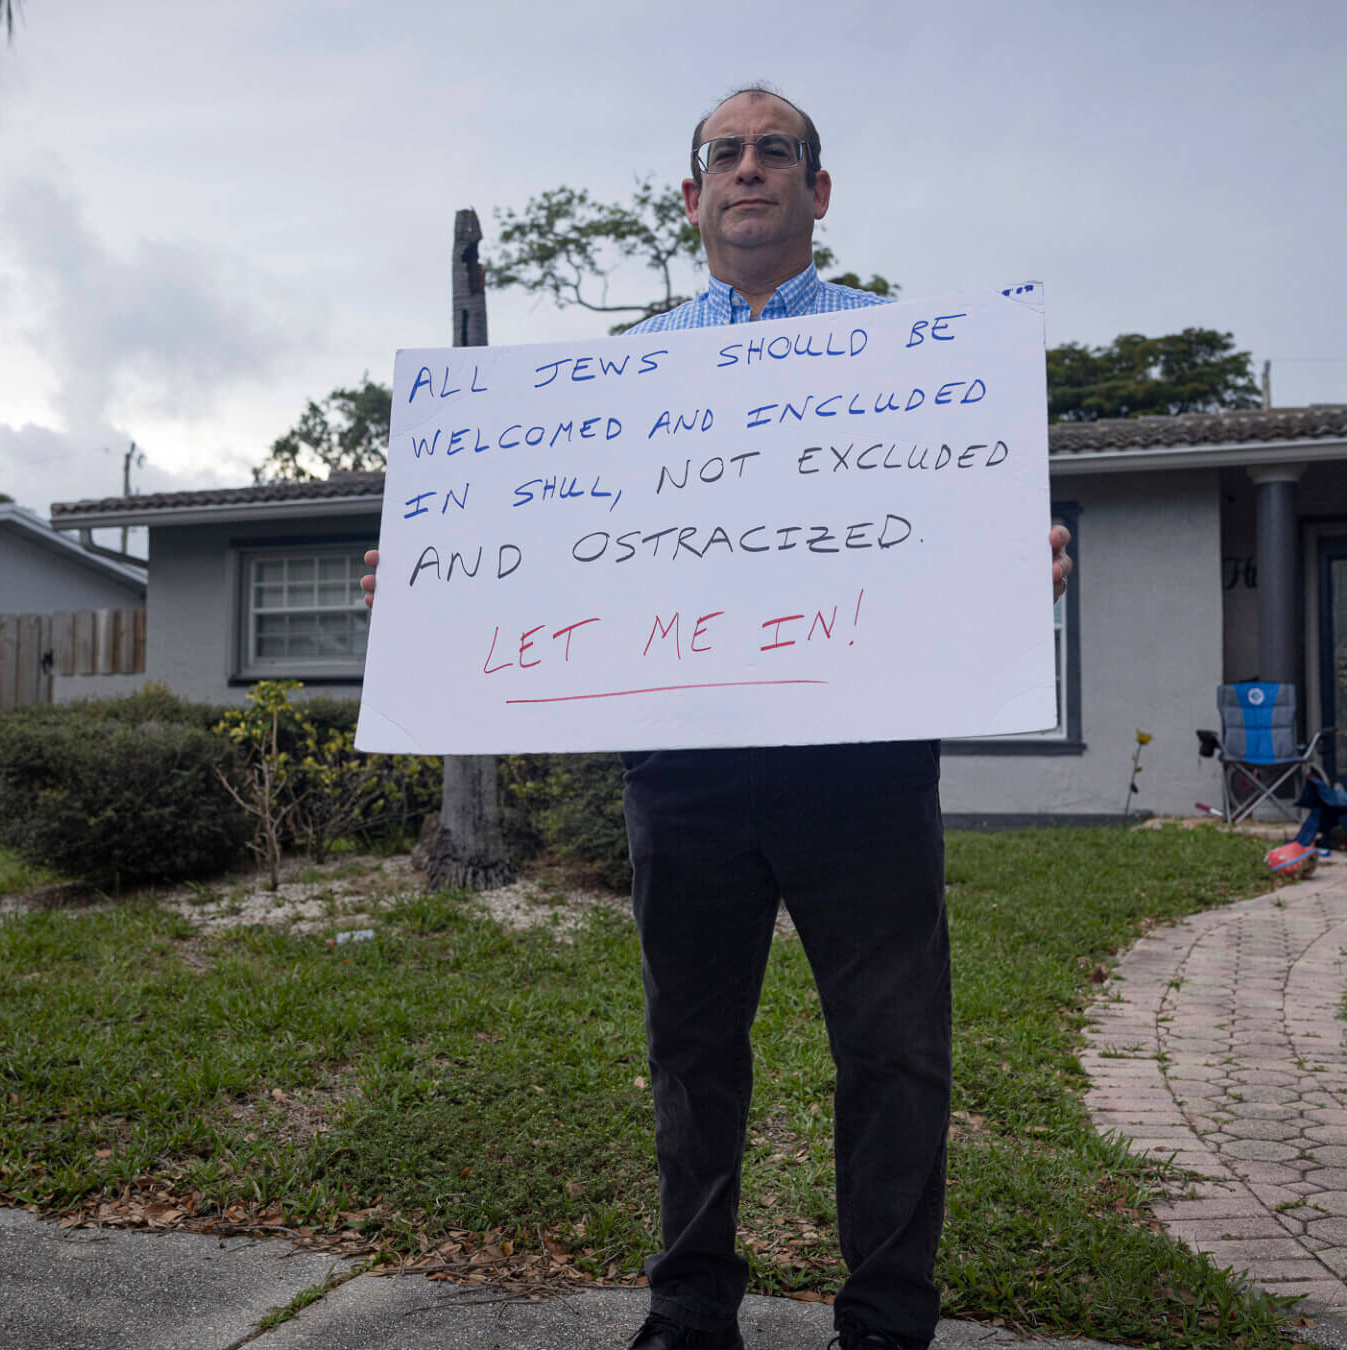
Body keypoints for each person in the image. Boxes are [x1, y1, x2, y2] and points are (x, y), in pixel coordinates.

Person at [363, 85, 1072, 1350]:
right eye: (726, 157)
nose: (752, 171)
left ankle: (889, 1323)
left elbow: (945, 543)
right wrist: (430, 574)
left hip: (863, 768)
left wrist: (1017, 567)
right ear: (693, 199)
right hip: (685, 772)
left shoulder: (910, 358)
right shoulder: (621, 377)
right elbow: (552, 548)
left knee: (894, 1052)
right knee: (690, 1049)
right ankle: (690, 1308)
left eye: (777, 154)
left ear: (820, 192)